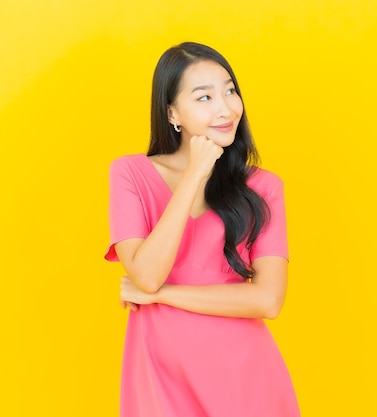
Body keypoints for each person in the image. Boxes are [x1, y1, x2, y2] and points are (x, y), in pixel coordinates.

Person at [104, 41, 300, 417]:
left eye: (229, 90)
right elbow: (146, 274)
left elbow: (268, 301)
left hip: (245, 378)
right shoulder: (130, 174)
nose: (226, 108)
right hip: (160, 373)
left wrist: (163, 296)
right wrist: (195, 173)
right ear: (173, 112)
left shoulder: (264, 187)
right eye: (204, 97)